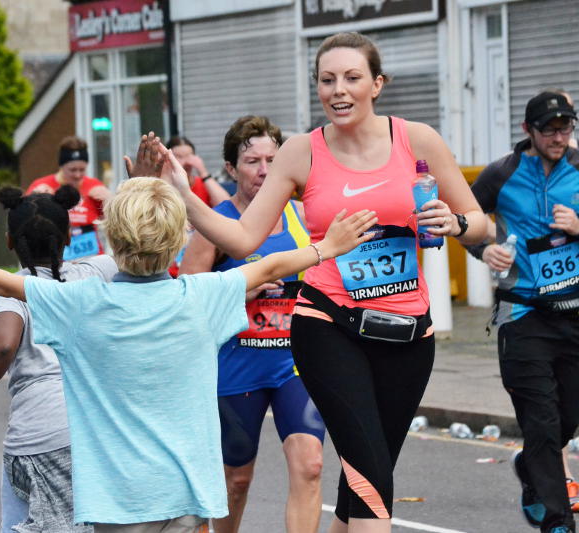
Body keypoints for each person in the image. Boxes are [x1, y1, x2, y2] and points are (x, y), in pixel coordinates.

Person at [0, 170, 377, 532]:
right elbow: (268, 268)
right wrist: (326, 246)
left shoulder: (80, 303)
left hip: (117, 501)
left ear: (109, 242)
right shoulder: (201, 296)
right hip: (188, 496)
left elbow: (6, 284)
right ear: (178, 243)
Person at [161, 31, 485, 533]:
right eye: (327, 80)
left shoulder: (417, 141)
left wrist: (456, 223)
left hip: (407, 332)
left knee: (365, 474)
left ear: (377, 84)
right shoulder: (299, 151)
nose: (339, 90)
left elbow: (480, 222)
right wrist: (186, 194)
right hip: (328, 325)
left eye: (352, 78)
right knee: (371, 472)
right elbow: (245, 237)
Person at [179, 116, 324, 533]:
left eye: (272, 161)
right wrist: (237, 293)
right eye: (252, 161)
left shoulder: (302, 217)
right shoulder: (214, 224)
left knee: (310, 467)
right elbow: (187, 300)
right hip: (235, 366)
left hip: (295, 365)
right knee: (236, 481)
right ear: (230, 168)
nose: (264, 170)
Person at [0, 185, 117, 533]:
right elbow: (138, 248)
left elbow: (1, 346)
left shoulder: (10, 288)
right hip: (98, 430)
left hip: (40, 435)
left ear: (9, 240)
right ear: (69, 237)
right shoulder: (98, 272)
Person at [467, 90, 579, 533]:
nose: (558, 136)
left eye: (565, 127)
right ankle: (558, 522)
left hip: (574, 315)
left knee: (567, 417)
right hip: (523, 315)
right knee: (542, 422)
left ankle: (533, 468)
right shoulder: (502, 174)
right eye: (549, 128)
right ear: (527, 131)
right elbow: (464, 217)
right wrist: (483, 247)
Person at [26, 136, 113, 261]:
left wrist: (110, 200)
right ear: (61, 167)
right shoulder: (43, 186)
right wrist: (34, 199)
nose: (78, 175)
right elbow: (23, 221)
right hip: (55, 259)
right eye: (72, 170)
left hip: (91, 259)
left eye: (82, 170)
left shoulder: (94, 186)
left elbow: (113, 222)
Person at [165, 136, 230, 207]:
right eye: (179, 157)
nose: (186, 162)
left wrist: (203, 172)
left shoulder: (204, 184)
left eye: (189, 156)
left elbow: (227, 207)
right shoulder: (164, 186)